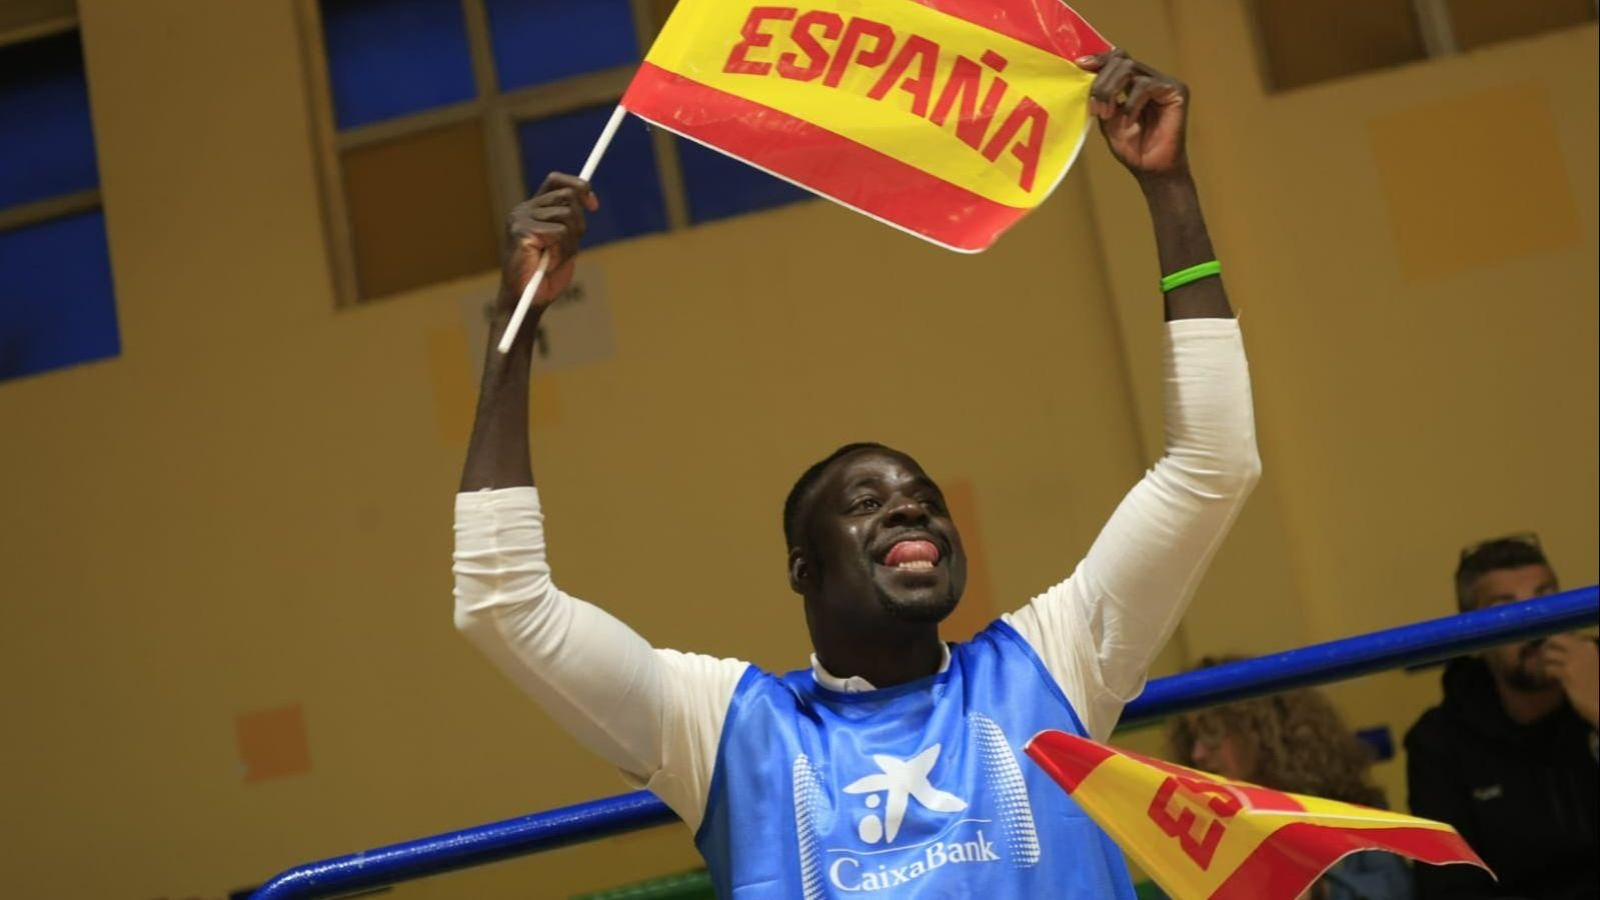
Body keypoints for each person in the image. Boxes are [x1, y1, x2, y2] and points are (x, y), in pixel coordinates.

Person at [453, 50, 1261, 898]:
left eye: (924, 502)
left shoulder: (1051, 666)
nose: (910, 514)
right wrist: (514, 324)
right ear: (804, 568)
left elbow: (1211, 465)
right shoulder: (723, 729)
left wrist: (1171, 193)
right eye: (868, 503)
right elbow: (502, 601)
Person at [1405, 534, 1599, 900]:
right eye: (1505, 609)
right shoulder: (1439, 743)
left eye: (1547, 599)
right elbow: (1447, 889)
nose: (1537, 625)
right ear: (1474, 637)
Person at [1167, 658, 1413, 900]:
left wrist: (1315, 890)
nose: (1196, 754)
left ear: (1259, 732)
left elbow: (1395, 891)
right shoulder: (1194, 832)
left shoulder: (1347, 807)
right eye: (1191, 739)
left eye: (1212, 733)